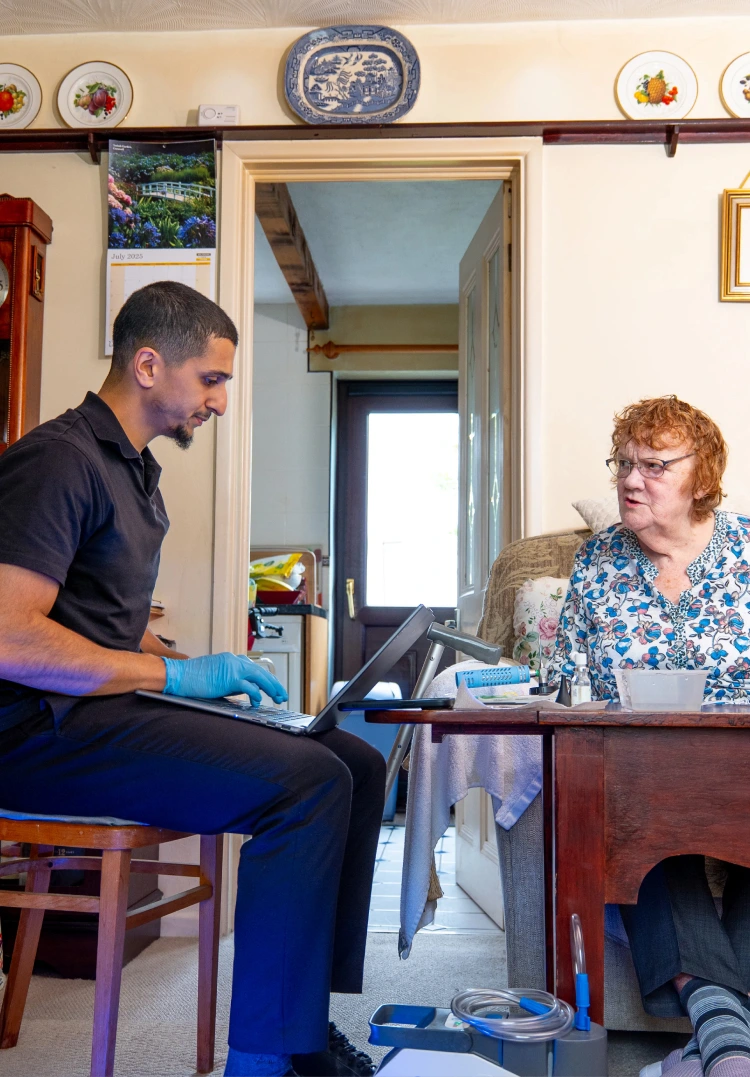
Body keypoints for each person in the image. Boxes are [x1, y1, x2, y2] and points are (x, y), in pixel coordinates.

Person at [0, 281, 383, 1077]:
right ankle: (267, 1061)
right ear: (148, 365)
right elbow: (9, 636)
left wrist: (198, 669)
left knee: (354, 759)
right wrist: (174, 674)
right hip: (35, 730)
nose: (219, 401)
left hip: (95, 711)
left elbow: (97, 615)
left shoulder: (133, 471)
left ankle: (302, 1025)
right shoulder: (58, 460)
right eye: (210, 379)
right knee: (308, 782)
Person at [553, 395, 750, 1077]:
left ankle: (714, 1036)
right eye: (623, 464)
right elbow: (565, 683)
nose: (630, 480)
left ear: (702, 475)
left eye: (654, 466)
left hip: (744, 764)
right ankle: (724, 1028)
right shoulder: (597, 562)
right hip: (638, 771)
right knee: (633, 816)